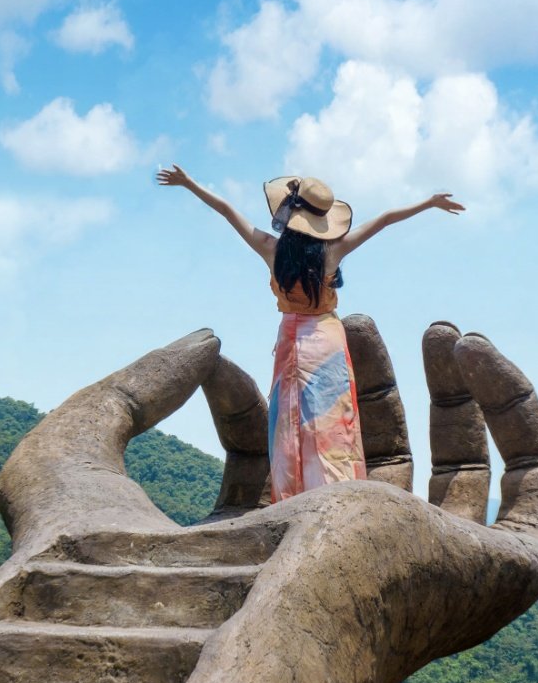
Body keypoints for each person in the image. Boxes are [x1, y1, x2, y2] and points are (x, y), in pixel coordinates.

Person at [157, 165, 464, 502]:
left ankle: (291, 498)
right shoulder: (333, 252)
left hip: (292, 339)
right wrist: (429, 203)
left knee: (289, 422)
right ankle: (336, 495)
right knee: (331, 421)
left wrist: (188, 183)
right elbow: (386, 218)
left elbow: (228, 211)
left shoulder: (270, 250)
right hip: (327, 341)